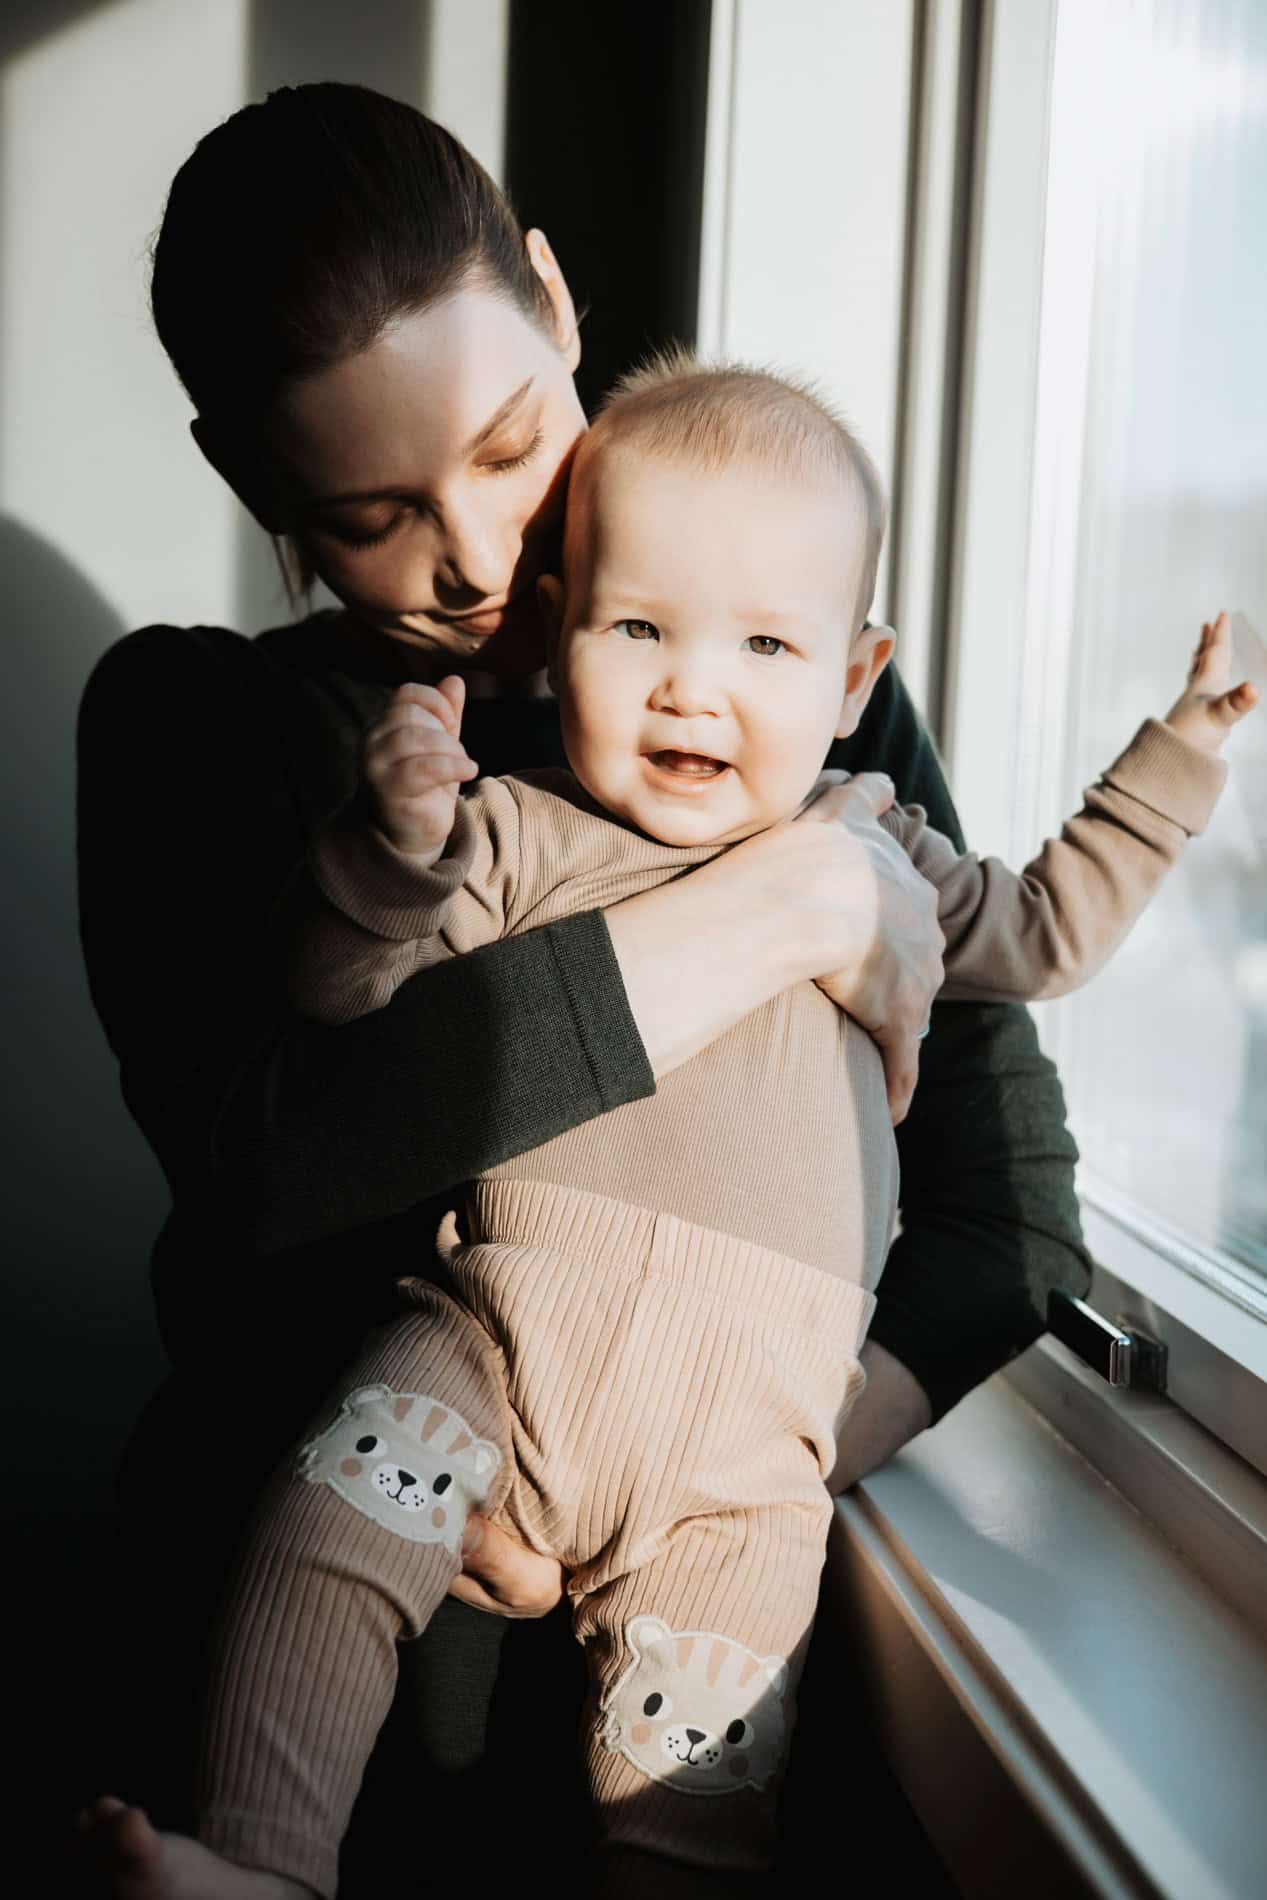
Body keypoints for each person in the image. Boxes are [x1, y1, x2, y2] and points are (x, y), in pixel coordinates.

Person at [75, 81, 1092, 1888]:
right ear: (254, 488)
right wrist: (776, 918)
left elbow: (1004, 1227)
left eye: (506, 441)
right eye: (374, 510)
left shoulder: (785, 683)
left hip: (667, 1712)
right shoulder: (195, 727)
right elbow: (273, 1177)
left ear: (556, 304)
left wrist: (704, 1465)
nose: (474, 556)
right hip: (288, 1725)